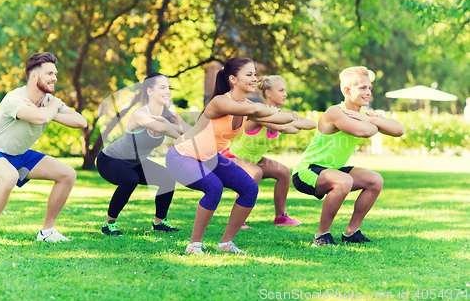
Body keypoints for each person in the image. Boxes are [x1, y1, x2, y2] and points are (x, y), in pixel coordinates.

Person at [166, 57, 294, 254]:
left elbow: (284, 118)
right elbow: (257, 110)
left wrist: (274, 112)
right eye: (249, 74)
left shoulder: (247, 106)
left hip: (210, 158)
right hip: (182, 156)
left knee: (249, 188)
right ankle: (194, 244)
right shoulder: (220, 102)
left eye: (254, 74)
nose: (254, 79)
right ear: (233, 79)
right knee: (213, 186)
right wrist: (268, 110)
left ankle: (226, 243)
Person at [0, 52, 87, 247]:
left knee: (67, 174)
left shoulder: (50, 103)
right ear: (34, 76)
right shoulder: (14, 98)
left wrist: (50, 111)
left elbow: (81, 121)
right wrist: (49, 111)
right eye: (50, 74)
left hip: (19, 154)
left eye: (56, 74)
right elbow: (39, 118)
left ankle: (47, 231)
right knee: (9, 176)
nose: (55, 78)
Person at [292, 66, 405, 246]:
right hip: (307, 170)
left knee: (375, 180)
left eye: (369, 88)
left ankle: (352, 233)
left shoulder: (363, 114)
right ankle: (321, 236)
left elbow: (399, 130)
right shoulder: (335, 112)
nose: (368, 92)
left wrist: (371, 118)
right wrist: (374, 119)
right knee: (344, 181)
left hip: (333, 170)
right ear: (347, 90)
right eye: (362, 88)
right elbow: (366, 131)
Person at [97, 73, 188, 235]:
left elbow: (190, 132)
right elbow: (168, 130)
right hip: (110, 159)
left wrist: (177, 125)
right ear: (149, 91)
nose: (168, 91)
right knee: (131, 178)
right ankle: (108, 223)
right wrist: (175, 127)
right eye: (162, 87)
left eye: (169, 87)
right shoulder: (139, 114)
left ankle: (160, 222)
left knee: (167, 178)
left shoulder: (172, 117)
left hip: (135, 161)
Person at [222, 75, 316, 227]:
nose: (285, 94)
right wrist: (285, 119)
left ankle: (280, 217)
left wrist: (285, 117)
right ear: (268, 93)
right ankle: (238, 219)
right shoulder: (256, 113)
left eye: (285, 90)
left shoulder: (281, 115)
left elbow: (311, 124)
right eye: (281, 90)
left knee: (284, 172)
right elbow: (283, 127)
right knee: (255, 172)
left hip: (254, 158)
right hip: (233, 157)